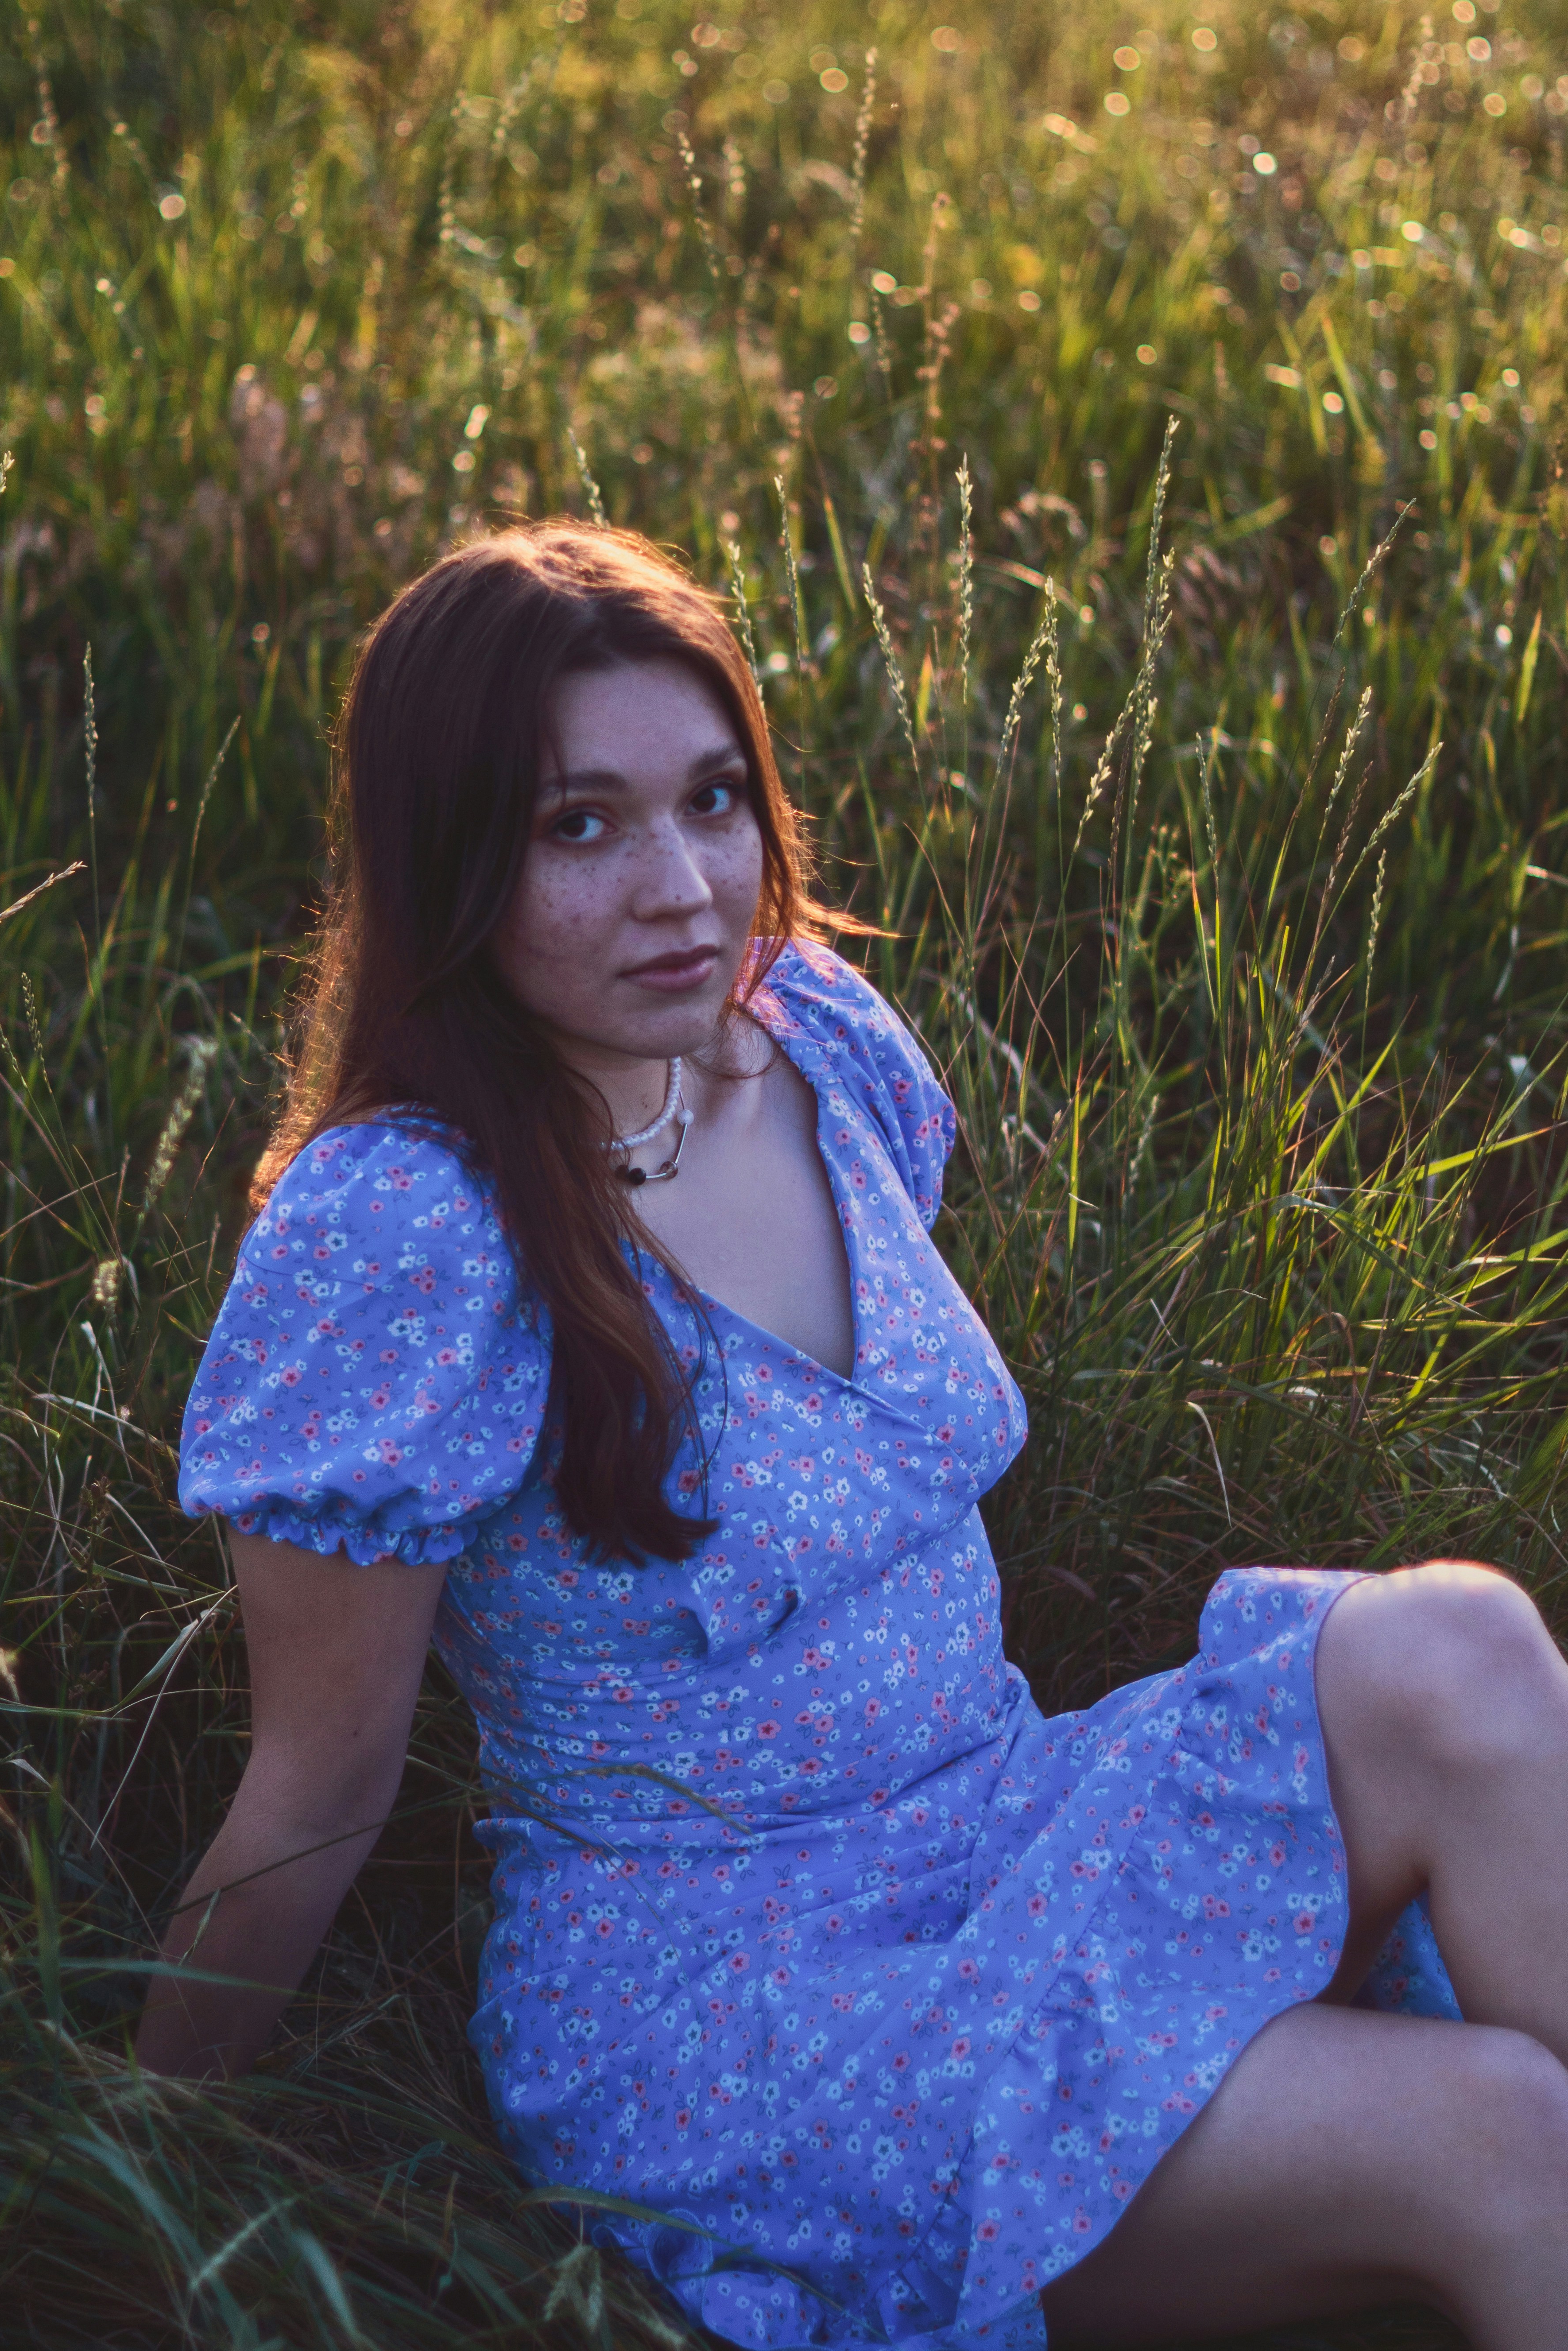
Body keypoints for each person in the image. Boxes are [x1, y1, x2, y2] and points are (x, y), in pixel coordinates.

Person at [141, 520, 1568, 2351]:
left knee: (1458, 1636)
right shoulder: (410, 1232)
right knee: (1507, 2132)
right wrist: (136, 2145)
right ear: (452, 858)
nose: (680, 885)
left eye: (715, 799)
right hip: (739, 2017)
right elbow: (318, 1788)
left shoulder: (816, 1035)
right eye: (579, 825)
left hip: (1005, 1822)